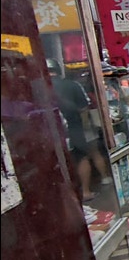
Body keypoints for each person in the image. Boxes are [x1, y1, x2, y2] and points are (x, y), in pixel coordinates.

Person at [48, 59, 108, 200]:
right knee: (81, 158)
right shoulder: (72, 85)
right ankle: (86, 192)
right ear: (58, 70)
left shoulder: (39, 88)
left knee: (58, 163)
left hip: (50, 133)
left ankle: (66, 197)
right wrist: (86, 127)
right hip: (74, 129)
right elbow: (83, 109)